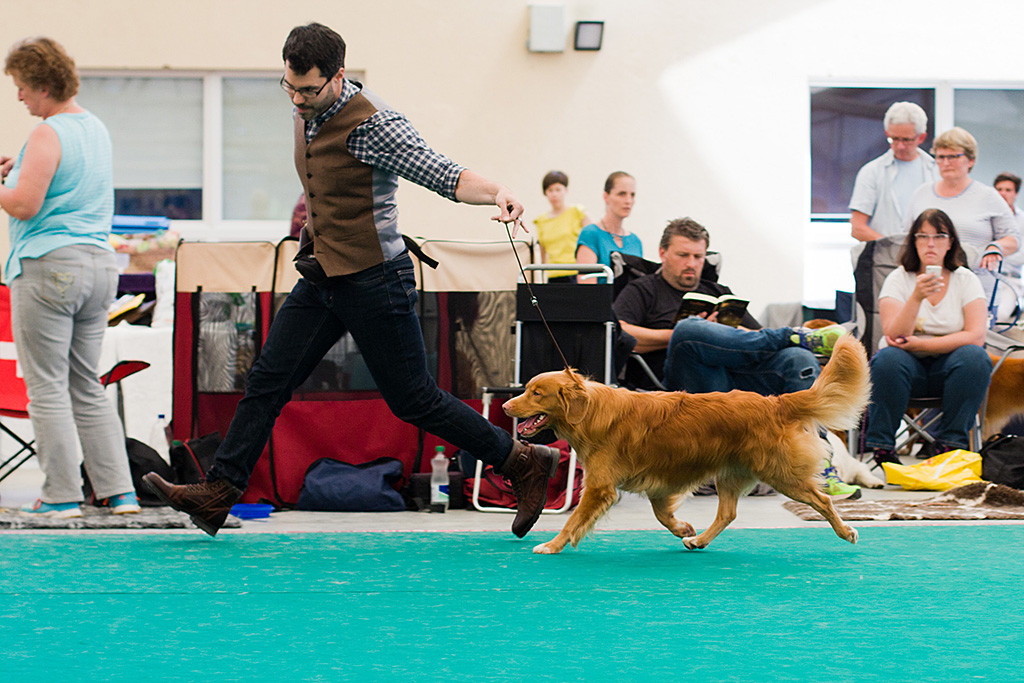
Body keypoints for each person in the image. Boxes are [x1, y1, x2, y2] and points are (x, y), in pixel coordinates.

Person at [142, 22, 558, 537]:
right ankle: (218, 495)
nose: (296, 99)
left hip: (376, 281)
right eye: (288, 86)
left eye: (307, 89)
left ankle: (522, 461)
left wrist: (497, 191)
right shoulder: (306, 107)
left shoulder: (376, 125)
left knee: (414, 400)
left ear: (338, 77)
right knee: (268, 380)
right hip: (322, 277)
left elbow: (442, 172)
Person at [613, 217, 859, 498]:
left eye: (698, 256)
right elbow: (621, 334)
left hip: (735, 386)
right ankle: (794, 333)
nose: (692, 263)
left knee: (797, 358)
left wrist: (723, 331)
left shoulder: (718, 292)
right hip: (684, 392)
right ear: (663, 253)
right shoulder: (642, 290)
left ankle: (821, 466)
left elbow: (758, 336)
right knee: (689, 329)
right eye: (683, 255)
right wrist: (679, 333)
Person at [0, 37, 140, 517]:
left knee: (46, 386)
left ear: (41, 86)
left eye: (21, 88)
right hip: (99, 268)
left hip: (49, 267)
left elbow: (25, 205)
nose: (18, 97)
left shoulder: (46, 132)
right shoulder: (94, 127)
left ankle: (60, 495)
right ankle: (120, 492)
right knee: (85, 383)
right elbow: (67, 184)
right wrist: (15, 175)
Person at [863, 208, 991, 469]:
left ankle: (950, 444)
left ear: (950, 242)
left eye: (939, 236)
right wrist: (916, 297)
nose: (931, 244)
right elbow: (894, 335)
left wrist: (923, 344)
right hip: (905, 372)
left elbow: (976, 335)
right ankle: (882, 448)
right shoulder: (898, 279)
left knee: (975, 357)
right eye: (923, 236)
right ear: (913, 242)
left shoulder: (965, 279)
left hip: (952, 373)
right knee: (887, 358)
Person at [904, 127, 1019, 313]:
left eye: (953, 157)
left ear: (971, 160)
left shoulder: (989, 197)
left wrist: (995, 248)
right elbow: (908, 240)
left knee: (971, 342)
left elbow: (1013, 239)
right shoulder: (921, 195)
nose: (946, 162)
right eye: (941, 157)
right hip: (930, 293)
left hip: (978, 292)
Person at [849, 101, 939, 242]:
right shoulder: (871, 172)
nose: (900, 146)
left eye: (906, 140)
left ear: (921, 137)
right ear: (887, 133)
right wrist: (894, 248)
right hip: (884, 258)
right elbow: (857, 228)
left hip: (928, 257)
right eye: (894, 139)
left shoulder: (936, 170)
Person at [575, 171, 642, 280]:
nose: (628, 201)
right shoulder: (590, 234)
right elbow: (587, 288)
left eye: (632, 195)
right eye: (622, 194)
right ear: (606, 196)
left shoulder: (635, 241)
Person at [532, 170, 588, 283]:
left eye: (558, 189)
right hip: (553, 275)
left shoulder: (577, 212)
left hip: (575, 273)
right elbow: (543, 253)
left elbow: (592, 237)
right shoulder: (541, 221)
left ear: (565, 190)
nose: (554, 194)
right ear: (545, 193)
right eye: (550, 190)